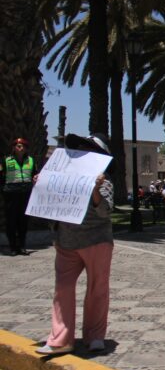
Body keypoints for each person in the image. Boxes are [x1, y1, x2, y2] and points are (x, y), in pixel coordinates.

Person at [36, 134, 114, 355]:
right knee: (62, 290)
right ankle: (60, 339)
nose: (80, 151)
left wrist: (95, 190)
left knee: (97, 289)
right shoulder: (61, 177)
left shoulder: (104, 179)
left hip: (96, 241)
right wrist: (41, 186)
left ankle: (95, 336)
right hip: (66, 242)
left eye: (86, 148)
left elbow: (105, 210)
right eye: (78, 148)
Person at [1, 138, 37, 256]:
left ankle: (22, 246)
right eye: (18, 145)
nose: (20, 147)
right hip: (11, 193)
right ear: (13, 148)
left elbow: (35, 174)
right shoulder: (6, 160)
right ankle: (12, 247)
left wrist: (36, 178)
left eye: (22, 146)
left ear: (26, 148)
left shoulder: (31, 160)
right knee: (11, 221)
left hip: (25, 192)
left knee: (23, 221)